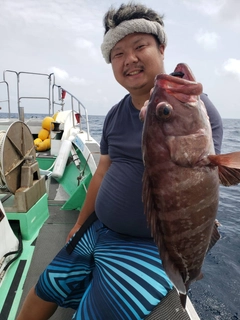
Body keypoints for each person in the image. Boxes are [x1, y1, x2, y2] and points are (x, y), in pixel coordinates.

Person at [17, 2, 223, 320]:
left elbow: (199, 182)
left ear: (162, 48)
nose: (130, 59)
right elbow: (102, 169)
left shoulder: (197, 111)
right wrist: (79, 222)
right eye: (118, 54)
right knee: (47, 285)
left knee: (93, 313)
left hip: (152, 246)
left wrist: (162, 115)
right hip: (100, 229)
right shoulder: (115, 113)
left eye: (140, 46)